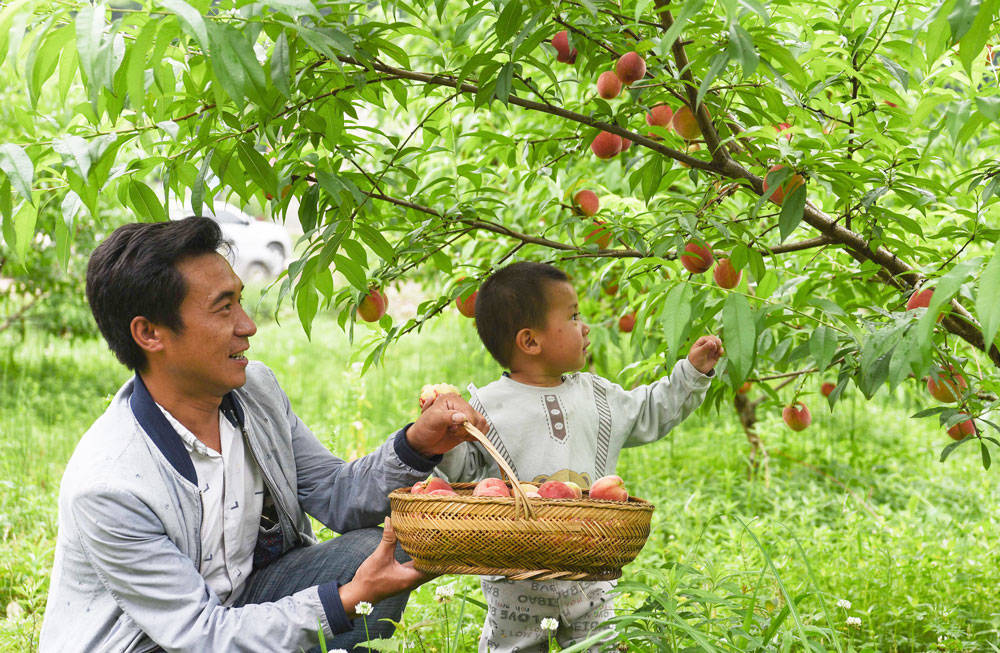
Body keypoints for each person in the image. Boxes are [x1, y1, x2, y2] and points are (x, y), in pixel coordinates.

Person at [39, 217, 488, 653]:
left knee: (388, 547)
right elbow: (200, 636)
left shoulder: (256, 392)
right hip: (157, 643)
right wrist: (347, 600)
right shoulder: (111, 486)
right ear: (149, 333)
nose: (248, 325)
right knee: (356, 582)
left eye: (241, 300)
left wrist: (419, 444)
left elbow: (335, 493)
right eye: (224, 306)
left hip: (241, 603)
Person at [435, 261, 723, 652]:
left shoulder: (598, 395)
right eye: (572, 317)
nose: (585, 326)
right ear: (530, 341)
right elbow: (458, 472)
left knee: (602, 647)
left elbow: (649, 411)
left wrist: (690, 374)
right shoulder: (486, 408)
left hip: (591, 571)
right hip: (516, 579)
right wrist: (443, 430)